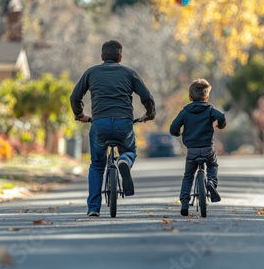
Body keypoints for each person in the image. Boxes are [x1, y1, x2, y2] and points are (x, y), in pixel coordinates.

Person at [70, 40, 156, 217]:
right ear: (120, 57)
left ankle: (93, 208)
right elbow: (146, 96)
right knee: (130, 151)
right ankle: (124, 160)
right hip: (123, 124)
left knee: (97, 165)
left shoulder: (91, 72)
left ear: (102, 56)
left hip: (99, 123)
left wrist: (80, 115)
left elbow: (74, 97)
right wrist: (150, 113)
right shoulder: (129, 72)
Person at [169, 78, 226, 216]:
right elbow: (222, 116)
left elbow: (173, 128)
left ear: (190, 97)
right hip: (207, 148)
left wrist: (177, 132)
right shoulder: (210, 109)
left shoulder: (185, 111)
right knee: (212, 166)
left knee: (188, 176)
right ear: (206, 97)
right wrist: (220, 124)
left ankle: (184, 202)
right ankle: (211, 182)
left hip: (192, 151)